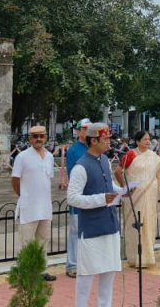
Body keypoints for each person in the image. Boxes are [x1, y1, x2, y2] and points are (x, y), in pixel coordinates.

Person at [67, 123, 129, 307]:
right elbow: (72, 198)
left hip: (110, 226)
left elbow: (109, 186)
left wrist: (122, 191)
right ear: (93, 140)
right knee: (86, 276)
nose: (109, 142)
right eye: (105, 138)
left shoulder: (104, 160)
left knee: (109, 273)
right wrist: (101, 199)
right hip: (91, 229)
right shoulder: (80, 167)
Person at [11, 125, 56, 282]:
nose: (38, 139)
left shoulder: (49, 156)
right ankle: (26, 272)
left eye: (41, 136)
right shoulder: (22, 157)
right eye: (35, 136)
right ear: (30, 139)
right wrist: (23, 195)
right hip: (29, 207)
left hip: (45, 206)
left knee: (43, 240)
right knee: (26, 242)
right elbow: (15, 180)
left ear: (45, 138)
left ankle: (42, 270)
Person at [114, 130, 160, 268]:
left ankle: (148, 257)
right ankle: (135, 258)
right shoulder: (130, 154)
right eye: (145, 139)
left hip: (150, 196)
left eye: (149, 139)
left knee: (148, 223)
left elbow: (158, 174)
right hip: (134, 197)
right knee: (136, 225)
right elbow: (118, 172)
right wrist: (125, 188)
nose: (148, 142)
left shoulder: (152, 156)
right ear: (137, 141)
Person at [61, 118, 91, 278]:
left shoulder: (94, 148)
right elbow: (73, 175)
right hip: (79, 196)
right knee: (75, 232)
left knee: (91, 232)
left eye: (89, 128)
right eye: (84, 129)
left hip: (93, 196)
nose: (87, 131)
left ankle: (87, 263)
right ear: (78, 131)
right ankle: (72, 264)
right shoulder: (73, 151)